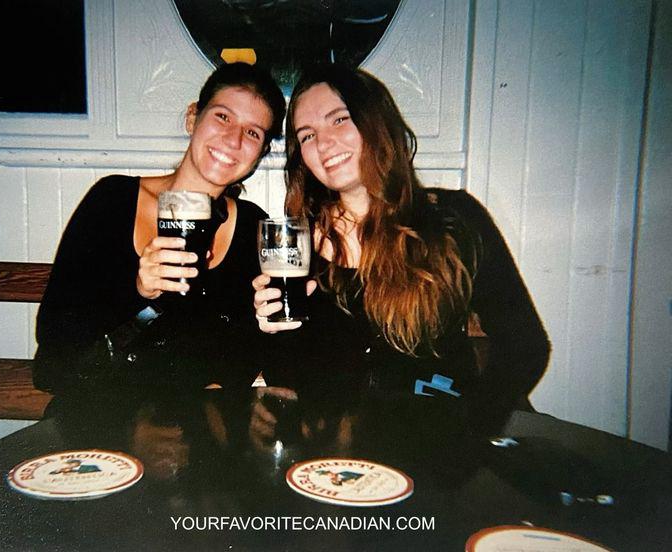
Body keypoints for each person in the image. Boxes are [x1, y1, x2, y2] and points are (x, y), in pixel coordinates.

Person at [252, 64, 550, 420]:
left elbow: (526, 345)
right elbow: (290, 383)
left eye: (339, 119)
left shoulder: (452, 220)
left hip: (431, 440)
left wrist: (475, 423)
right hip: (333, 447)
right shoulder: (295, 246)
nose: (324, 143)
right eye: (307, 136)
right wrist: (271, 334)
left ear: (376, 122)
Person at [34, 62, 286, 396]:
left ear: (261, 152)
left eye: (252, 132)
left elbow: (251, 355)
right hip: (101, 407)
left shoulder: (253, 227)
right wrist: (137, 291)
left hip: (193, 420)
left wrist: (276, 327)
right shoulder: (113, 200)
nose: (233, 139)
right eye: (223, 117)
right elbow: (54, 333)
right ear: (192, 118)